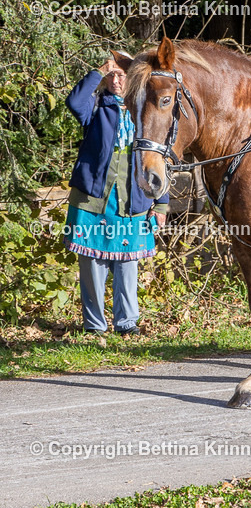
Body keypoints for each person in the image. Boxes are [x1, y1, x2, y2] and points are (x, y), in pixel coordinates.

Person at [64, 56, 168, 339]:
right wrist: (98, 71)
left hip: (133, 200)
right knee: (92, 264)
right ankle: (94, 326)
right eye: (111, 76)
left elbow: (157, 160)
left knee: (126, 264)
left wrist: (161, 202)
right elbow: (74, 103)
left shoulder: (144, 111)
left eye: (121, 75)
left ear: (132, 78)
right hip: (92, 200)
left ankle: (126, 324)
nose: (116, 80)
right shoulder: (95, 109)